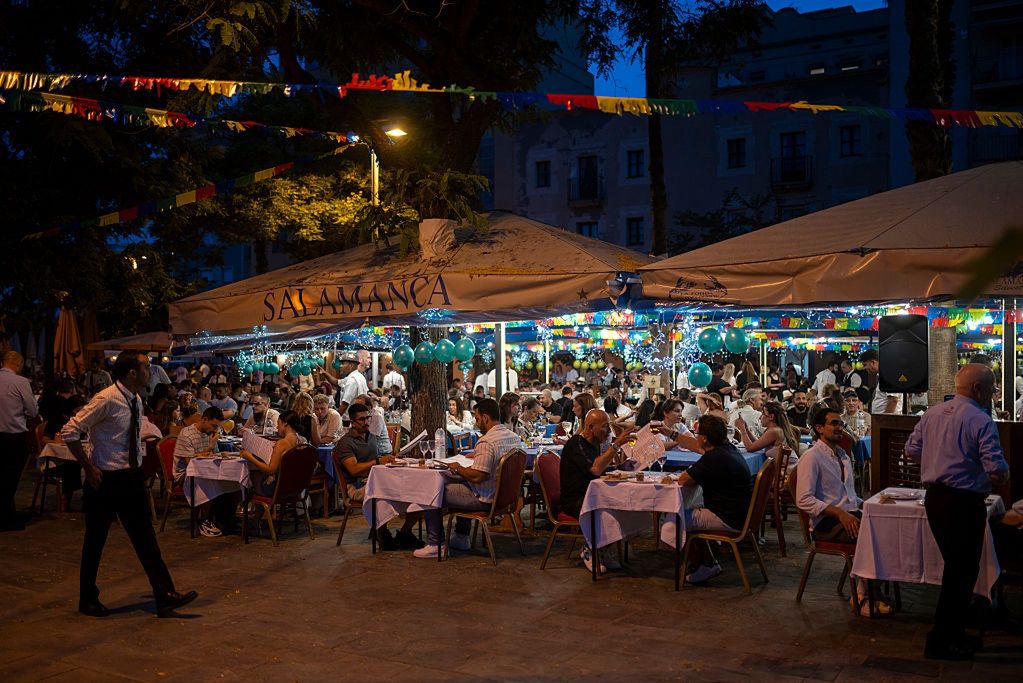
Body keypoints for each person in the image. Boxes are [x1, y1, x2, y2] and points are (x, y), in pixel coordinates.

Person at [61, 351, 197, 617]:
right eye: (146, 367)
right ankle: (88, 598)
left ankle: (164, 593)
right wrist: (88, 467)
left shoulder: (134, 398)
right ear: (132, 373)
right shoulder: (107, 399)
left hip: (129, 477)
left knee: (146, 537)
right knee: (95, 541)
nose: (151, 371)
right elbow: (70, 430)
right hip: (105, 478)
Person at [904, 363, 1010, 660]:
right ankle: (941, 640)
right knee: (961, 573)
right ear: (978, 389)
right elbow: (996, 469)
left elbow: (911, 450)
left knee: (956, 570)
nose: (992, 394)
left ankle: (953, 634)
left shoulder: (932, 414)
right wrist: (999, 475)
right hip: (964, 503)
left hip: (935, 500)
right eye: (991, 388)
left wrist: (939, 459)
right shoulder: (980, 420)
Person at [795, 406, 883, 617]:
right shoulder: (812, 457)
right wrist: (840, 513)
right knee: (869, 535)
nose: (839, 427)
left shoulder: (842, 455)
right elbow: (803, 500)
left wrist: (869, 505)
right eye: (834, 423)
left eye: (841, 423)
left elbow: (848, 497)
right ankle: (863, 596)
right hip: (826, 523)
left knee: (885, 527)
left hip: (848, 516)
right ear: (819, 428)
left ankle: (872, 590)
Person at [415, 398, 522, 558]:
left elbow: (478, 476)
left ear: (485, 418)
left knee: (430, 489)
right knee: (463, 482)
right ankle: (461, 536)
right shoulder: (513, 438)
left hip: (485, 499)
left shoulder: (487, 441)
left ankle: (436, 544)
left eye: (478, 419)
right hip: (504, 498)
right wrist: (477, 457)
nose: (477, 423)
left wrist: (458, 468)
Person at [675, 414, 754, 584]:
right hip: (744, 514)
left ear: (704, 438)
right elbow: (697, 450)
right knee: (690, 511)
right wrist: (671, 433)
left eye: (697, 434)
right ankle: (708, 562)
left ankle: (702, 566)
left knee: (677, 519)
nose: (696, 438)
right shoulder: (728, 449)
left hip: (728, 518)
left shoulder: (713, 458)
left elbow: (683, 480)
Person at [557, 409, 636, 572]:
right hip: (576, 500)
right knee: (608, 511)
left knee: (627, 507)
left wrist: (621, 467)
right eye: (605, 427)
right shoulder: (576, 443)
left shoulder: (594, 444)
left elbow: (598, 468)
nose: (608, 431)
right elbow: (595, 468)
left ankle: (604, 549)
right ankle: (589, 549)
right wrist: (616, 444)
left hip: (593, 495)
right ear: (590, 427)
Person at [334, 402, 421, 550]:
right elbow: (354, 469)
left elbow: (379, 459)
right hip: (356, 486)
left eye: (367, 418)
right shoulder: (345, 443)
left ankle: (405, 532)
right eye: (362, 419)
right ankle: (382, 533)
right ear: (352, 421)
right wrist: (378, 461)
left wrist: (392, 459)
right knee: (382, 493)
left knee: (416, 491)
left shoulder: (371, 437)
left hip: (376, 479)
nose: (366, 422)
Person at [171, 407, 235, 537]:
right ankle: (203, 519)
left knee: (233, 480)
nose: (214, 429)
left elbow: (214, 454)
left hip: (206, 469)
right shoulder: (186, 434)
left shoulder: (210, 433)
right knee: (207, 479)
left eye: (217, 427)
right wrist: (210, 447)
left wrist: (217, 452)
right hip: (184, 473)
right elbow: (192, 464)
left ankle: (224, 519)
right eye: (213, 425)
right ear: (205, 419)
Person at [0, 351, 39, 530]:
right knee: (11, 478)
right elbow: (32, 411)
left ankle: (7, 513)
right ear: (19, 364)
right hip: (12, 436)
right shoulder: (21, 382)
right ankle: (7, 518)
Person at [736, 401, 800, 474]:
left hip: (789, 475)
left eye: (763, 413)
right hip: (788, 472)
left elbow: (750, 448)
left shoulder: (774, 431)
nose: (760, 417)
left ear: (771, 417)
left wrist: (742, 429)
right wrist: (746, 429)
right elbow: (758, 443)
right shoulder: (774, 429)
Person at [335, 350, 370, 414]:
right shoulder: (359, 376)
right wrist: (324, 373)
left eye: (343, 364)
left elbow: (345, 404)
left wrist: (335, 418)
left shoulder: (352, 380)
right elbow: (338, 382)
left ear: (351, 365)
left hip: (350, 419)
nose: (340, 366)